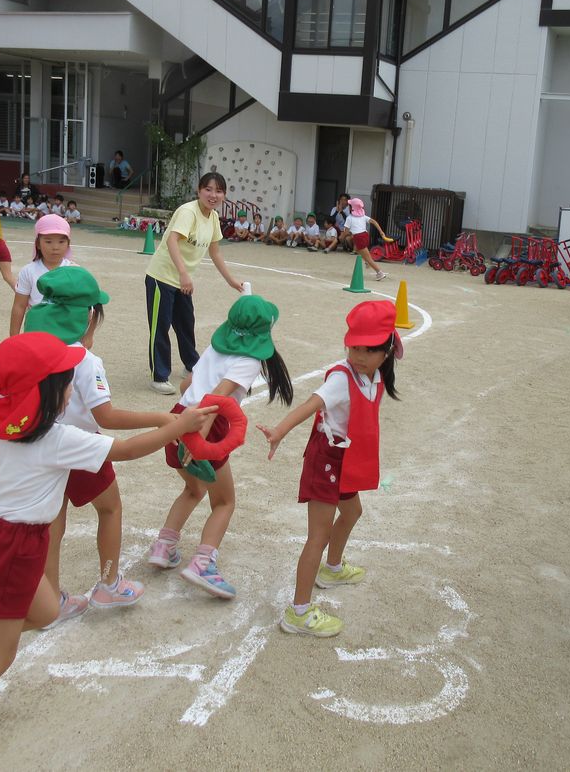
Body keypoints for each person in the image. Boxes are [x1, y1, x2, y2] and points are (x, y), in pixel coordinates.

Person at [0, 332, 213, 772]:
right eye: (66, 381)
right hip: (13, 547)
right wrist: (177, 426)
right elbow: (123, 450)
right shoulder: (55, 437)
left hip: (0, 538)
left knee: (47, 612)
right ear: (47, 393)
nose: (72, 388)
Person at [25, 267, 184, 620]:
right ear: (90, 316)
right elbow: (106, 417)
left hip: (38, 445)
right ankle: (109, 584)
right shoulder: (84, 360)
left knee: (54, 522)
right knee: (109, 508)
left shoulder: (33, 345)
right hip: (80, 447)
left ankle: (51, 599)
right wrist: (160, 419)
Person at [257, 300, 402, 638]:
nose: (358, 356)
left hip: (346, 458)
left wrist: (391, 340)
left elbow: (395, 345)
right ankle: (299, 612)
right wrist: (279, 431)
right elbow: (311, 405)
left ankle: (333, 569)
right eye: (353, 347)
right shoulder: (342, 377)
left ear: (385, 352)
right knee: (317, 536)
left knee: (352, 512)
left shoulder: (377, 371)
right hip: (327, 461)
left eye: (368, 349)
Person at [147, 295, 293, 598]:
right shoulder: (250, 360)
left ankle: (164, 546)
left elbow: (188, 386)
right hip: (202, 425)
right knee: (224, 502)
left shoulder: (215, 347)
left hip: (178, 416)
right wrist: (199, 440)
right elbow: (216, 400)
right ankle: (203, 563)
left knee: (192, 489)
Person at [143, 171, 245, 395]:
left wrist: (231, 280)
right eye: (208, 189)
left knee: (186, 324)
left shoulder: (214, 218)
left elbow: (215, 252)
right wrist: (183, 273)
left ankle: (192, 366)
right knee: (160, 327)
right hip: (163, 277)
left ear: (224, 195)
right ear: (199, 190)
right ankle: (159, 376)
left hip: (182, 280)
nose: (213, 195)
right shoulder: (188, 212)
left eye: (218, 191)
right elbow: (171, 240)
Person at [10, 215, 75, 336]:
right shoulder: (28, 271)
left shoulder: (74, 271)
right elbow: (19, 306)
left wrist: (88, 335)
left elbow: (87, 307)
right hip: (35, 330)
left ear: (68, 244)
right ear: (38, 244)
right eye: (48, 241)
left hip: (66, 333)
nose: (55, 247)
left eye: (61, 241)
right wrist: (14, 337)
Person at [343, 197, 392, 281]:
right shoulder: (363, 216)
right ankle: (366, 261)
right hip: (365, 235)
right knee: (358, 250)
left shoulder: (349, 218)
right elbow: (374, 222)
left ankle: (379, 272)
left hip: (358, 237)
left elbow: (346, 232)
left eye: (350, 205)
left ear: (352, 208)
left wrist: (344, 234)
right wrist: (381, 232)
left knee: (368, 257)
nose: (349, 207)